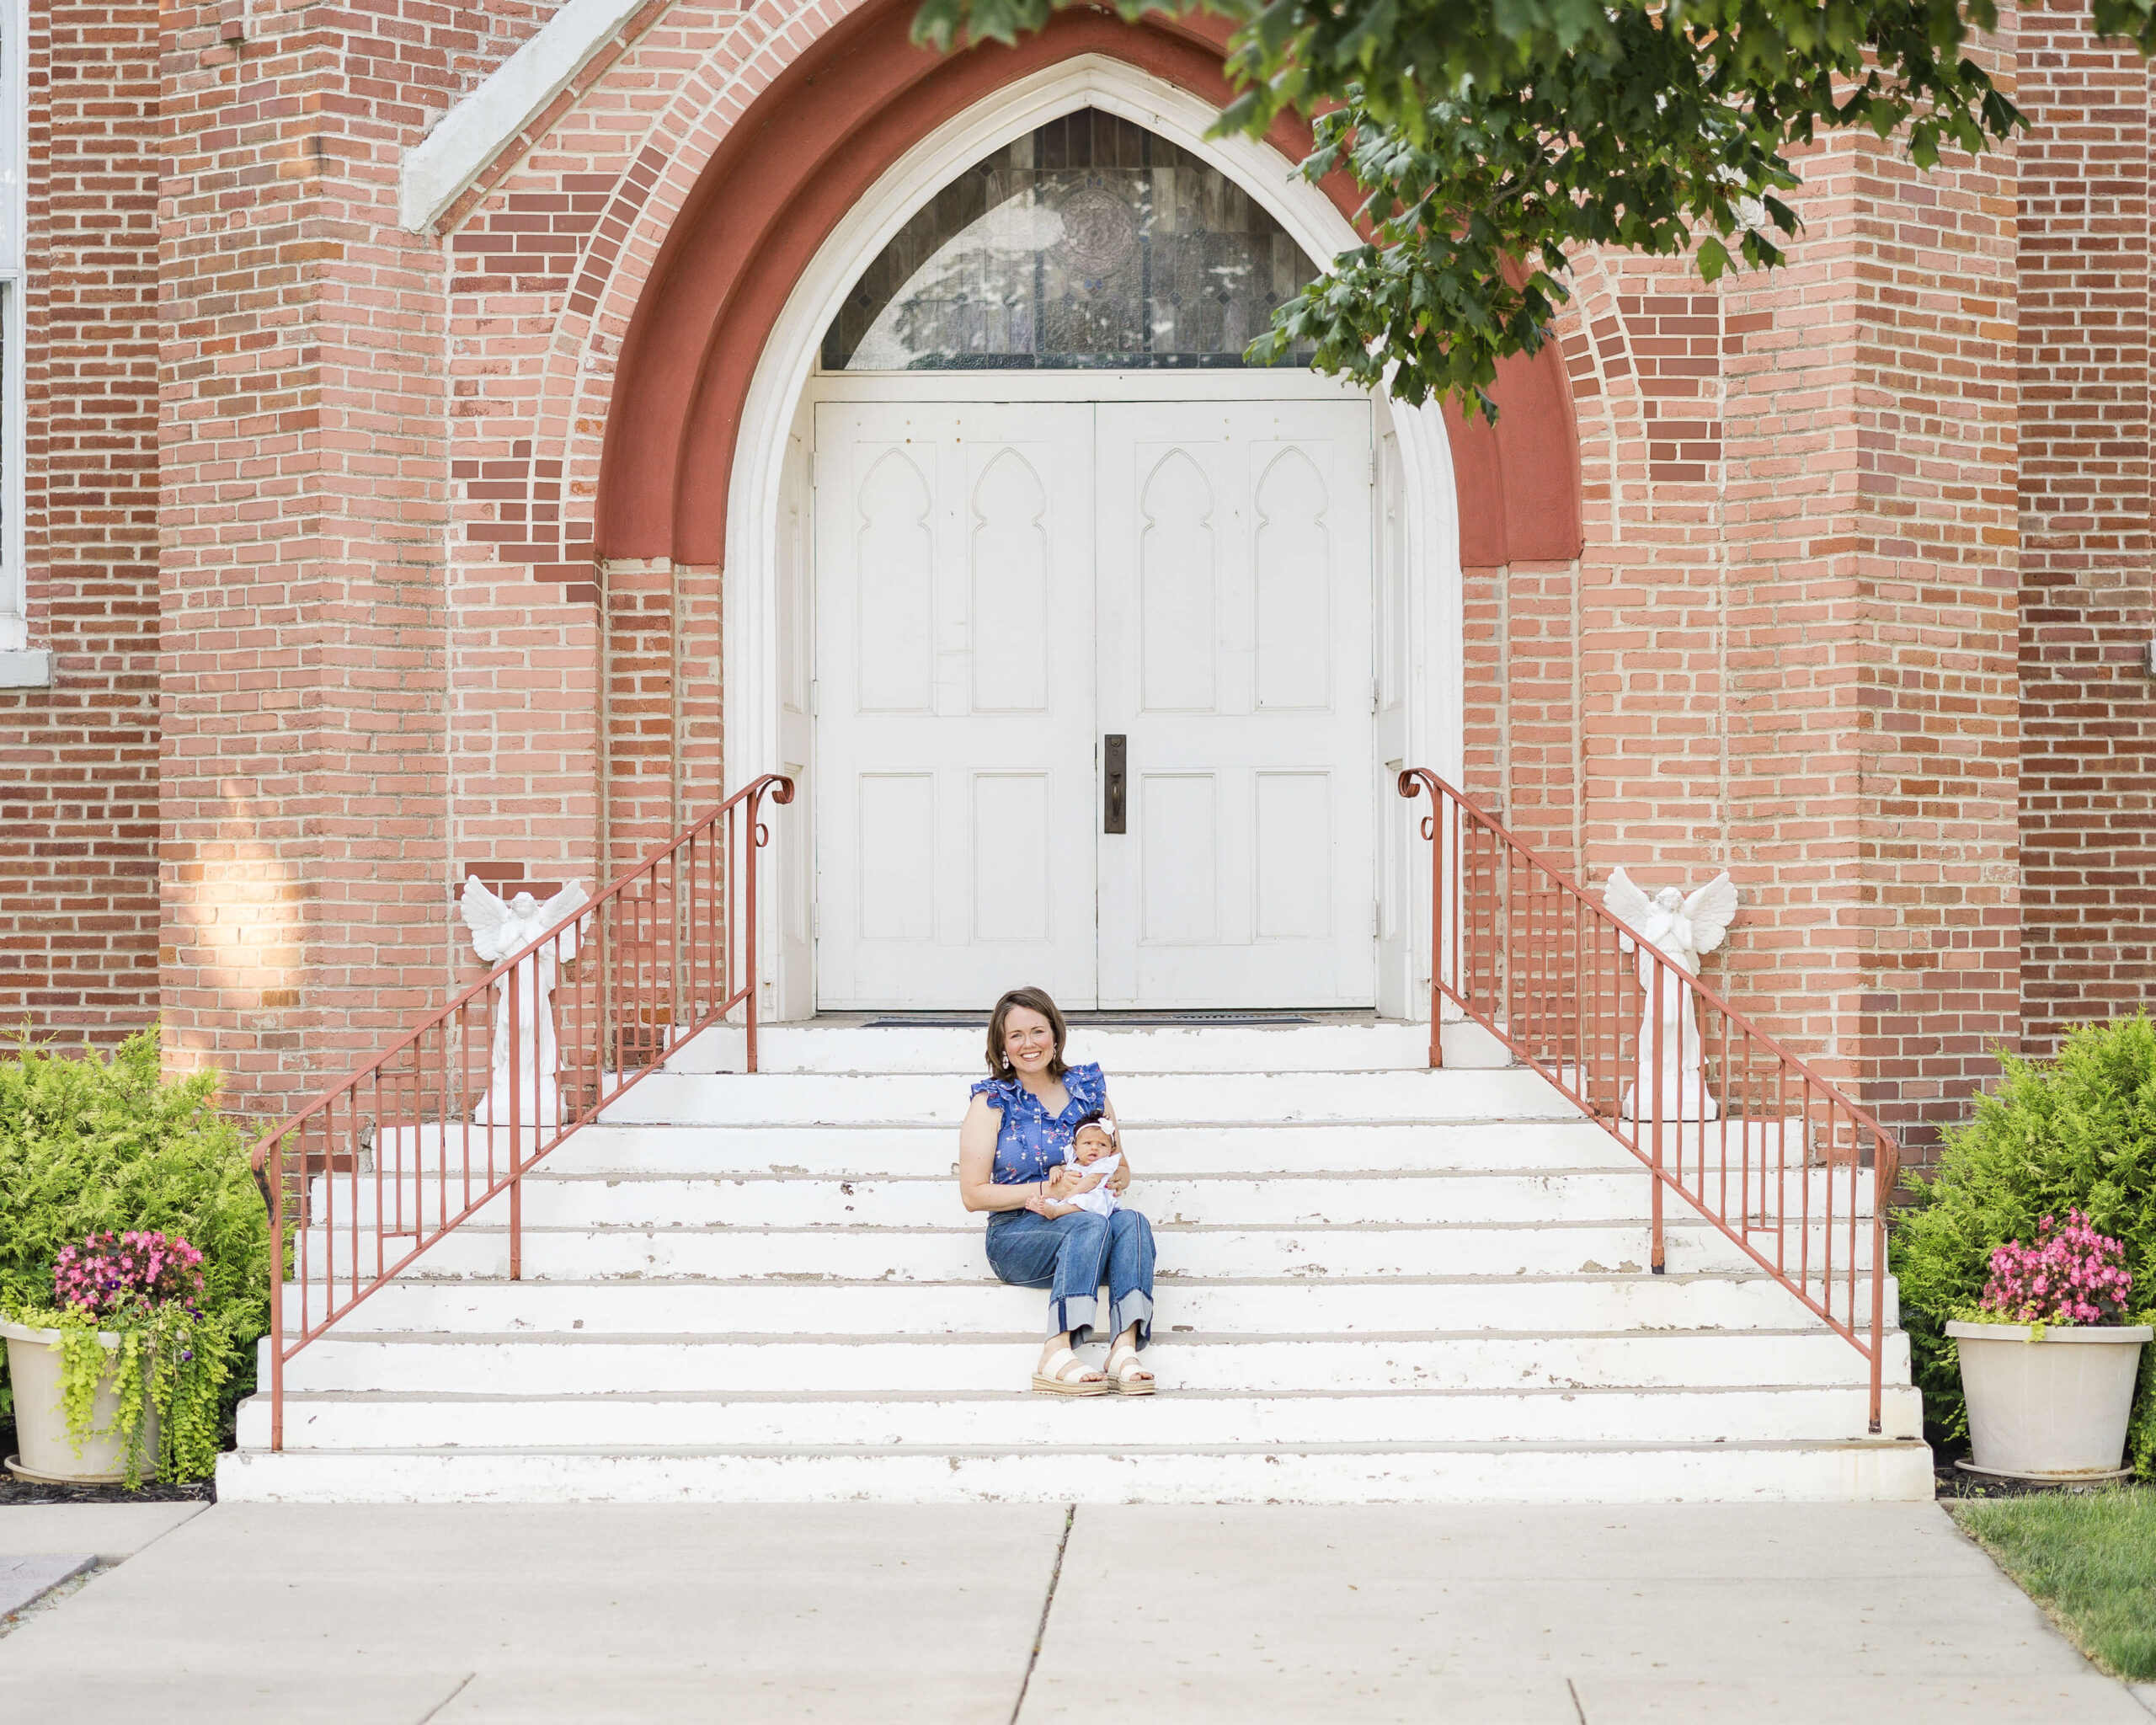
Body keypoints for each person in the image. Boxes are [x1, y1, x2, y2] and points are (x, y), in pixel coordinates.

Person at [957, 987, 1156, 1397]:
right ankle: (1056, 1348)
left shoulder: (1088, 1088)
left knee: (1133, 1222)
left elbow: (1119, 1164)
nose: (1029, 1044)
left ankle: (1123, 1348)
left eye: (1038, 1031)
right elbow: (973, 1195)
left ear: (1055, 1035)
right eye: (1016, 1035)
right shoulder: (991, 1102)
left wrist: (1118, 1176)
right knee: (1086, 1225)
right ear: (1002, 1046)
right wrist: (1049, 1188)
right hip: (1018, 1236)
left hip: (1088, 1224)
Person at [1033, 1117, 1120, 1220]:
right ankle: (1040, 1207)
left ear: (1111, 1150)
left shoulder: (1103, 1165)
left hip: (1090, 1196)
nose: (1094, 1148)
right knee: (1051, 1200)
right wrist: (1055, 1170)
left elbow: (1092, 1181)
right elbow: (1063, 1167)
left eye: (1102, 1144)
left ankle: (1057, 1211)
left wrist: (1071, 1194)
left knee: (1086, 1201)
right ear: (1075, 1148)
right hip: (1068, 1196)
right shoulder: (1073, 1160)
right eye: (1088, 1143)